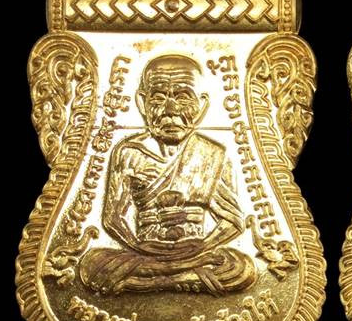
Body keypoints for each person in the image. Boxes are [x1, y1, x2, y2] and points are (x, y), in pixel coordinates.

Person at [79, 55, 255, 296]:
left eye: (183, 97)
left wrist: (203, 246)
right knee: (91, 263)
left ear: (202, 105)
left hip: (195, 251)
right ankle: (181, 278)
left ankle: (152, 282)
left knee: (241, 267)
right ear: (142, 103)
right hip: (145, 252)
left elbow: (233, 221)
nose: (170, 111)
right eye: (159, 98)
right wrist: (138, 246)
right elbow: (112, 218)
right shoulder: (129, 152)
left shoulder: (212, 153)